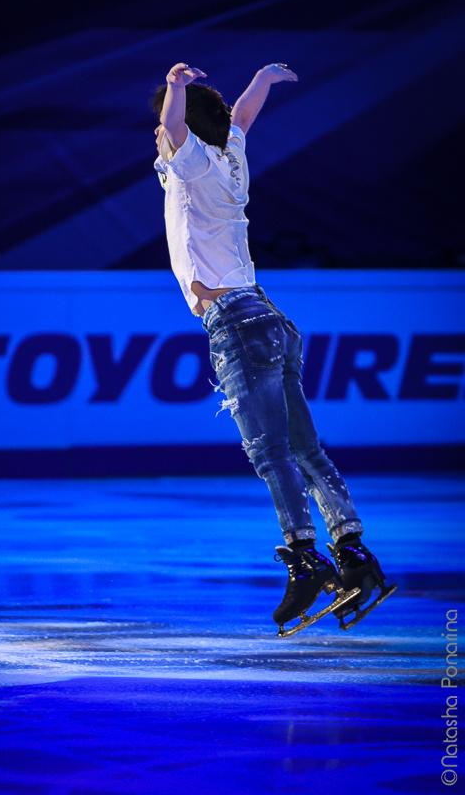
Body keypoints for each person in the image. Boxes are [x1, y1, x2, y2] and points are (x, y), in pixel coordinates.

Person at [152, 62, 396, 637]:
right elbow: (239, 118)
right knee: (306, 449)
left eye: (166, 130)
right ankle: (354, 554)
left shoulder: (191, 167)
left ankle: (305, 558)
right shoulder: (228, 159)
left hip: (237, 325)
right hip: (269, 319)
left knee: (271, 453)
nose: (159, 136)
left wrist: (175, 89)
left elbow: (179, 124)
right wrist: (262, 80)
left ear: (185, 128)